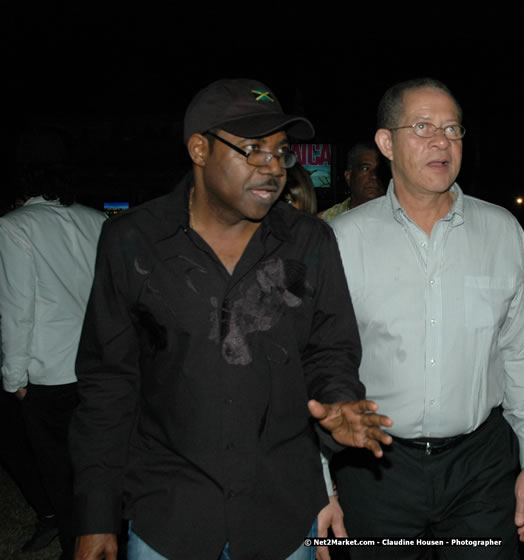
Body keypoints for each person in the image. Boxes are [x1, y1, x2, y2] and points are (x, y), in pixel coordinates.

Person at [69, 78, 392, 560]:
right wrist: (97, 515)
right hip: (169, 513)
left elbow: (331, 349)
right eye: (252, 149)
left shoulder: (310, 242)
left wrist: (339, 401)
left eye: (281, 152)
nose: (272, 168)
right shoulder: (132, 241)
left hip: (279, 513)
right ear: (200, 149)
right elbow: (108, 385)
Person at [330, 78, 524, 559]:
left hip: (481, 466)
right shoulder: (343, 241)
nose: (442, 141)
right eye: (424, 127)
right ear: (386, 143)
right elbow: (318, 367)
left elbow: (520, 353)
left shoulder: (500, 231)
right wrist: (321, 482)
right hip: (376, 468)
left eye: (453, 129)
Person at [0, 166, 106, 560]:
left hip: (51, 374)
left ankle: (75, 550)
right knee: (101, 471)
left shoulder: (14, 226)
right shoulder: (95, 220)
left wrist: (14, 378)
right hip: (100, 369)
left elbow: (16, 309)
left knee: (62, 478)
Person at [319, 142, 384, 221]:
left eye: (378, 170)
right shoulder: (326, 221)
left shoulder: (398, 219)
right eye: (365, 169)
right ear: (348, 176)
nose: (374, 176)